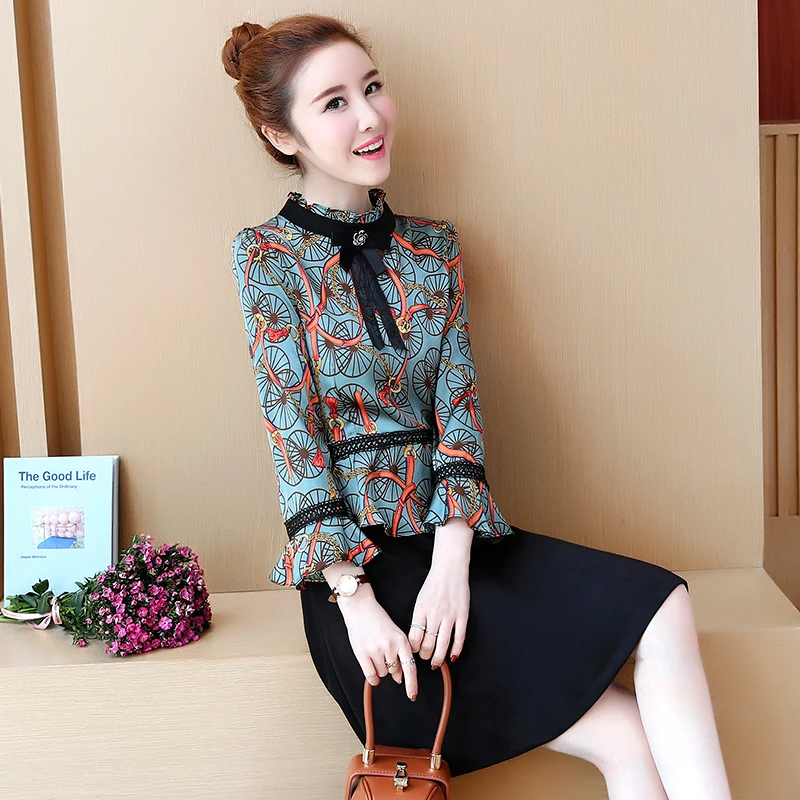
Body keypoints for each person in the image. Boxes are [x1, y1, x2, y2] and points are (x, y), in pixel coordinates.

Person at [222, 14, 733, 796]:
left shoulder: (435, 247)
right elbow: (292, 436)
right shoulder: (264, 256)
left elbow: (458, 406)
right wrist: (354, 599)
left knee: (665, 606)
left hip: (456, 547)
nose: (369, 116)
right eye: (334, 102)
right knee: (627, 740)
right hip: (363, 581)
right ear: (280, 133)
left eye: (372, 87)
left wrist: (453, 561)